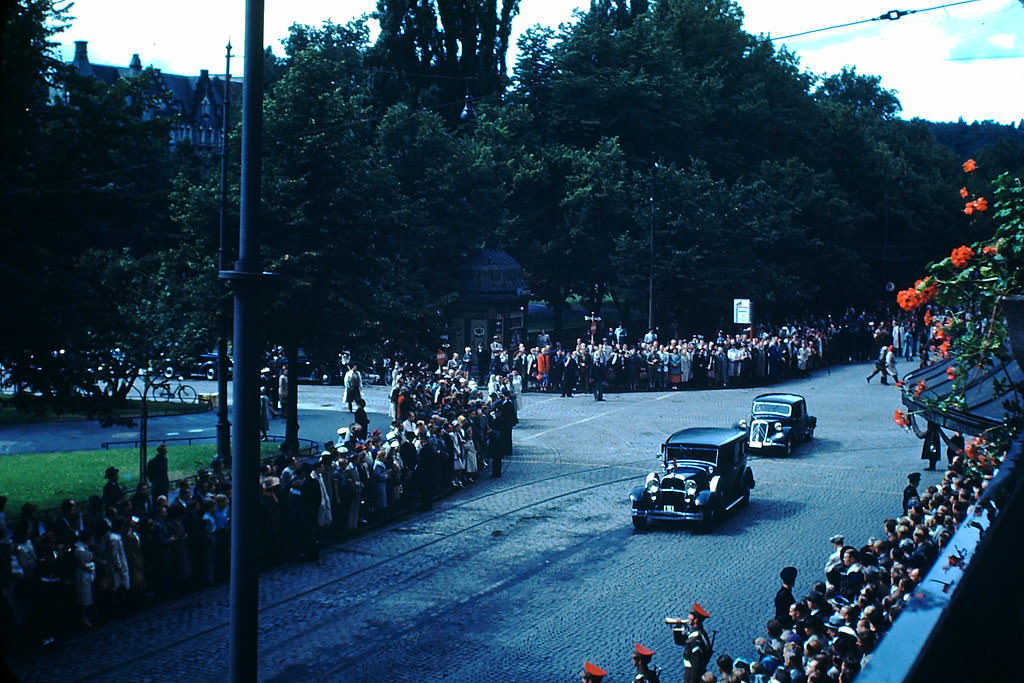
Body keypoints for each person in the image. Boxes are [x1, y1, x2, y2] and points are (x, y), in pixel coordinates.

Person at [672, 602, 713, 683]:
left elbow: (696, 665)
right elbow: (679, 641)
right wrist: (678, 628)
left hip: (692, 678)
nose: (688, 617)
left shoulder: (696, 639)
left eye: (690, 615)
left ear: (696, 619)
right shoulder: (694, 633)